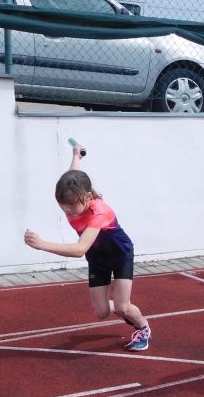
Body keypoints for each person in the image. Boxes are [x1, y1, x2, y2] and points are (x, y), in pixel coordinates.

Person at [23, 143, 151, 351]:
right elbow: (73, 175)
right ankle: (122, 309)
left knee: (122, 306)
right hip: (97, 258)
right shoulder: (74, 196)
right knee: (101, 312)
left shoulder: (99, 212)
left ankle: (142, 327)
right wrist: (76, 155)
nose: (68, 211)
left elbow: (80, 249)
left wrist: (42, 244)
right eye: (63, 207)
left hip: (120, 255)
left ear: (88, 197)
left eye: (72, 206)